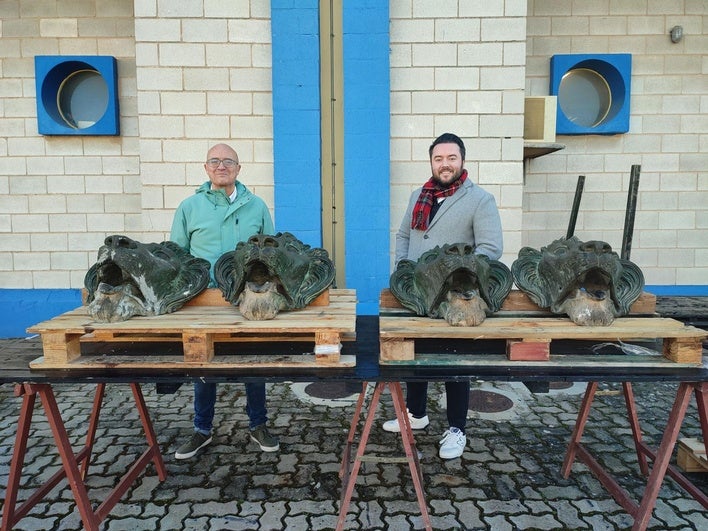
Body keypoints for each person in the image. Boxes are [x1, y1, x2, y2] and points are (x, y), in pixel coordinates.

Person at [383, 133, 503, 459]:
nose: (445, 164)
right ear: (432, 162)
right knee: (416, 356)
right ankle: (416, 414)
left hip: (454, 299)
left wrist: (460, 277)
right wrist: (404, 272)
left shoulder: (480, 200)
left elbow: (491, 248)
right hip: (421, 294)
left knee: (454, 362)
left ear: (462, 161)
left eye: (451, 158)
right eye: (439, 158)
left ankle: (456, 428)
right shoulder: (419, 195)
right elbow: (405, 235)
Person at [170, 142, 279, 460]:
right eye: (214, 161)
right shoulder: (189, 207)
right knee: (203, 364)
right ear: (206, 168)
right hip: (206, 299)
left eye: (228, 161)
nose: (221, 166)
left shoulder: (256, 206)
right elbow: (178, 255)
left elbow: (272, 253)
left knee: (253, 363)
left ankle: (258, 424)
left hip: (248, 299)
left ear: (238, 169)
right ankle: (202, 429)